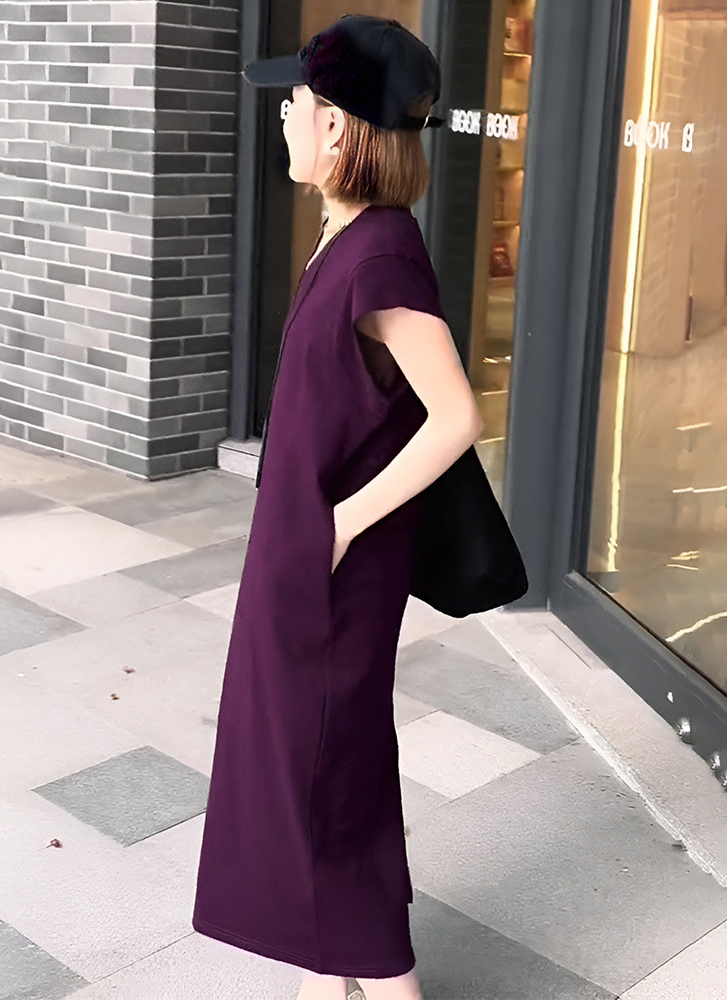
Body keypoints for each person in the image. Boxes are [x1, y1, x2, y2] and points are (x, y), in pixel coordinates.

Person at [191, 15, 484, 1000]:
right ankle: (328, 981)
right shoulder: (348, 236)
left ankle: (378, 978)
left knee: (326, 787)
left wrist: (344, 523)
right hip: (302, 567)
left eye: (295, 103)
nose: (282, 116)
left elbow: (456, 417)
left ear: (336, 127)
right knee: (313, 782)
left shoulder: (379, 261)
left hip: (332, 579)